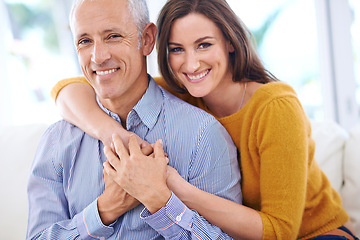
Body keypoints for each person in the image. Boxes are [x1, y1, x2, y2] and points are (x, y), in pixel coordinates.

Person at [51, 0, 359, 239]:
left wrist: (168, 184)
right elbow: (67, 90)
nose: (191, 62)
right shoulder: (184, 90)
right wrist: (115, 135)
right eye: (177, 50)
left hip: (316, 234)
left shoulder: (275, 107)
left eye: (204, 44)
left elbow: (280, 232)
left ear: (229, 42)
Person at [26, 0, 243, 239]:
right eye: (85, 41)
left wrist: (160, 201)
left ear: (147, 39)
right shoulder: (57, 141)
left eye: (113, 36)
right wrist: (105, 209)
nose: (98, 57)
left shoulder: (203, 135)